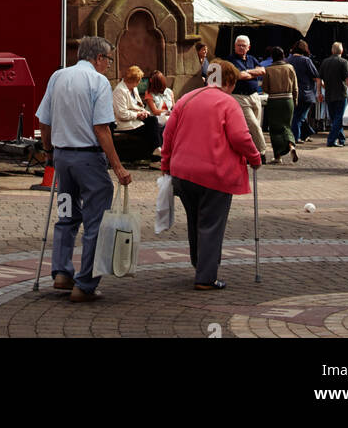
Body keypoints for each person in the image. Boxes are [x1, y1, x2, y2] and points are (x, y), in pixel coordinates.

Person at [36, 36, 131, 302]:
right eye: (109, 60)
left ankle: (62, 273)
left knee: (66, 214)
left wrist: (49, 151)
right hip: (88, 160)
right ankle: (85, 283)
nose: (109, 66)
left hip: (63, 159)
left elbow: (44, 120)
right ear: (98, 58)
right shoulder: (98, 82)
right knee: (95, 222)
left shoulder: (58, 76)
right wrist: (118, 166)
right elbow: (101, 128)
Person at [161, 59, 261, 290]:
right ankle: (206, 276)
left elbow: (168, 135)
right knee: (211, 223)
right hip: (215, 173)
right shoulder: (228, 103)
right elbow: (240, 137)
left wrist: (166, 164)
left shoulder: (186, 98)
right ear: (228, 81)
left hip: (183, 172)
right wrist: (254, 157)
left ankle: (200, 264)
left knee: (195, 220)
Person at [227, 35, 267, 159]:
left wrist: (248, 72)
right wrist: (253, 73)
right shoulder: (230, 60)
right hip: (240, 97)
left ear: (248, 47)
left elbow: (262, 71)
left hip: (254, 96)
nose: (241, 47)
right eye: (238, 45)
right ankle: (261, 152)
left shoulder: (252, 59)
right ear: (234, 46)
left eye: (243, 45)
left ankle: (250, 153)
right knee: (253, 125)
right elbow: (239, 75)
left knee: (255, 126)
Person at [112, 64, 162, 159]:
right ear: (133, 80)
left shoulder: (133, 88)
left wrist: (143, 112)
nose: (139, 83)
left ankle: (157, 151)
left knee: (154, 121)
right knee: (151, 127)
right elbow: (122, 114)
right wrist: (138, 114)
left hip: (135, 120)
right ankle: (156, 155)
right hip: (125, 124)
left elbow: (138, 105)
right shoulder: (119, 91)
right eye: (138, 80)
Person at [263, 47, 299, 163]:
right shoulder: (290, 68)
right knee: (286, 126)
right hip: (288, 100)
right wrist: (295, 100)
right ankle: (291, 145)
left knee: (274, 129)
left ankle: (277, 156)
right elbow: (295, 87)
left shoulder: (268, 69)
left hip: (274, 101)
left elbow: (265, 87)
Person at [317, 42, 348, 148]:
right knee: (338, 118)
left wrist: (319, 92)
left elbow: (319, 79)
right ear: (341, 51)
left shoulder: (325, 62)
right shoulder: (344, 62)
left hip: (329, 93)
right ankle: (331, 140)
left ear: (332, 51)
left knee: (335, 118)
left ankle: (341, 139)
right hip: (341, 93)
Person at [287, 40, 319, 142]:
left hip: (291, 92)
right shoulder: (306, 61)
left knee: (299, 114)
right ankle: (296, 137)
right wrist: (320, 90)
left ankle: (307, 133)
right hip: (306, 93)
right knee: (299, 116)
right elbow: (315, 76)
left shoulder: (288, 60)